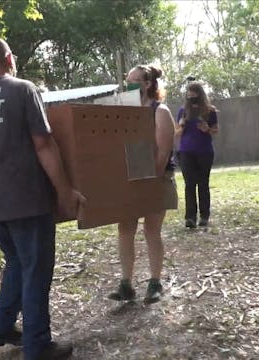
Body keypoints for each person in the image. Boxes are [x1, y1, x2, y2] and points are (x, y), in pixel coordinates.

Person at [0, 36, 84, 360]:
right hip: (26, 201)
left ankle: (0, 327)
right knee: (36, 270)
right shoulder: (23, 90)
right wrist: (64, 191)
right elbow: (44, 144)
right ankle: (38, 345)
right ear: (9, 58)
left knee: (17, 263)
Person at [107, 65, 177, 304]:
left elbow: (163, 152)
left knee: (151, 229)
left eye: (135, 81)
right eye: (127, 81)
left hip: (157, 178)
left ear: (148, 84)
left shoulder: (160, 111)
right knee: (125, 229)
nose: (130, 85)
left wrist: (152, 182)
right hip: (129, 178)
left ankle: (154, 283)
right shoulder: (124, 110)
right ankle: (126, 283)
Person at [175, 81, 218, 229]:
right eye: (189, 94)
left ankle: (204, 216)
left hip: (205, 152)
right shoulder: (183, 111)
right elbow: (177, 133)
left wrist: (207, 129)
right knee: (189, 185)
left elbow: (216, 130)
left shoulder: (209, 111)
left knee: (203, 184)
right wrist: (182, 125)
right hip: (186, 152)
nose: (191, 96)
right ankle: (190, 218)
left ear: (200, 94)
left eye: (194, 93)